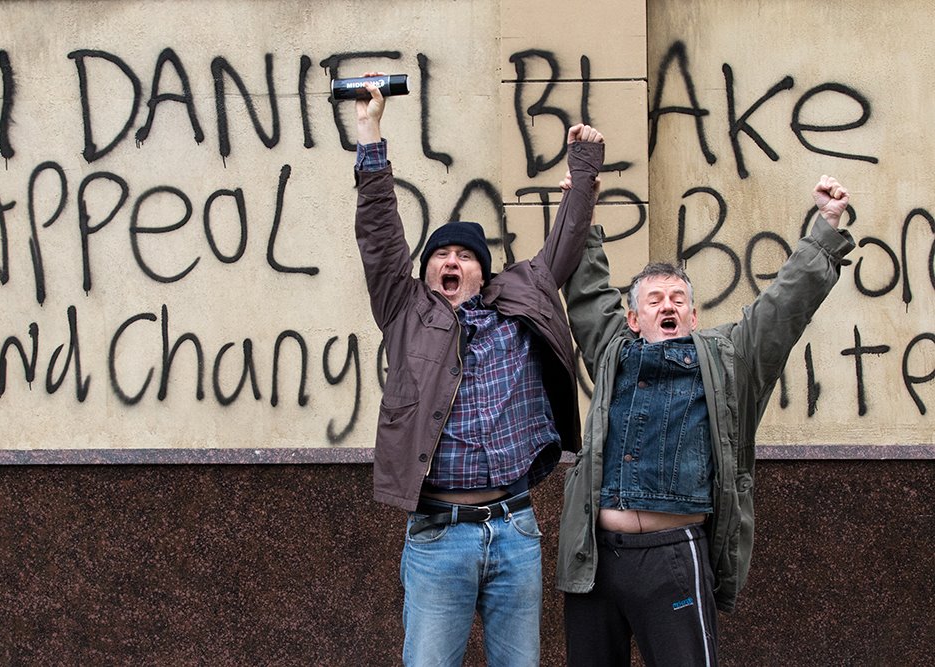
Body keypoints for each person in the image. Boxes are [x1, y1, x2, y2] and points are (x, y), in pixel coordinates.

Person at [351, 71, 604, 666]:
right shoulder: (405, 307)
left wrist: (585, 166)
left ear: (482, 273)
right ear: (427, 269)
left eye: (465, 256)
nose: (452, 261)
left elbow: (565, 243)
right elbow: (381, 236)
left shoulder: (520, 299)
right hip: (438, 535)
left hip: (515, 529)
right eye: (441, 254)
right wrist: (370, 134)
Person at [556, 174, 855, 666]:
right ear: (634, 320)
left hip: (673, 558)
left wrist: (826, 225)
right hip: (595, 561)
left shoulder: (728, 358)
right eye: (654, 301)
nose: (667, 306)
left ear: (694, 317)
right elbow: (587, 291)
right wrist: (579, 207)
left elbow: (782, 308)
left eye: (678, 300)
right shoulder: (614, 351)